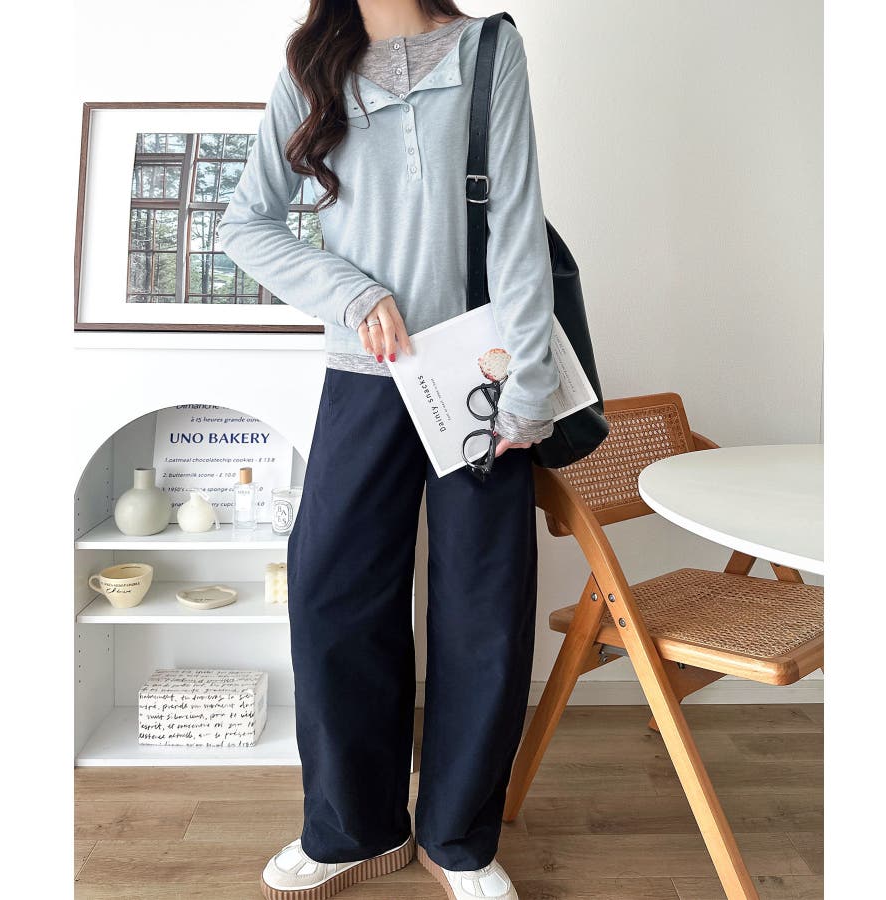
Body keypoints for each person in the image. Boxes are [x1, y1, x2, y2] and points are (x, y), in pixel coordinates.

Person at [216, 3, 560, 898]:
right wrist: (352, 291)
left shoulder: (488, 49)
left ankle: (459, 838)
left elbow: (517, 221)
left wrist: (528, 382)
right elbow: (245, 223)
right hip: (364, 372)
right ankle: (352, 828)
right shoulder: (311, 67)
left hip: (479, 371)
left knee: (483, 605)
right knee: (332, 591)